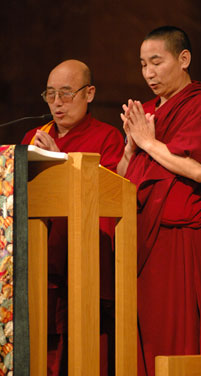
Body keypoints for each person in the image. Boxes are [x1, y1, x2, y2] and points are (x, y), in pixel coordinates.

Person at [117, 26, 201, 376]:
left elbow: (198, 172)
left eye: (156, 62)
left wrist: (149, 143)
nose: (148, 73)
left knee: (174, 341)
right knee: (138, 343)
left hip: (180, 244)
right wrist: (130, 147)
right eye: (142, 64)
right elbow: (124, 175)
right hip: (140, 242)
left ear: (183, 60)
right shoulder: (147, 113)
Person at [22, 59, 124, 376]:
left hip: (84, 267)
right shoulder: (33, 137)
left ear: (89, 93)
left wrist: (60, 160)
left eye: (66, 93)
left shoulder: (107, 138)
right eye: (50, 94)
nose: (56, 103)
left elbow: (106, 196)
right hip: (39, 267)